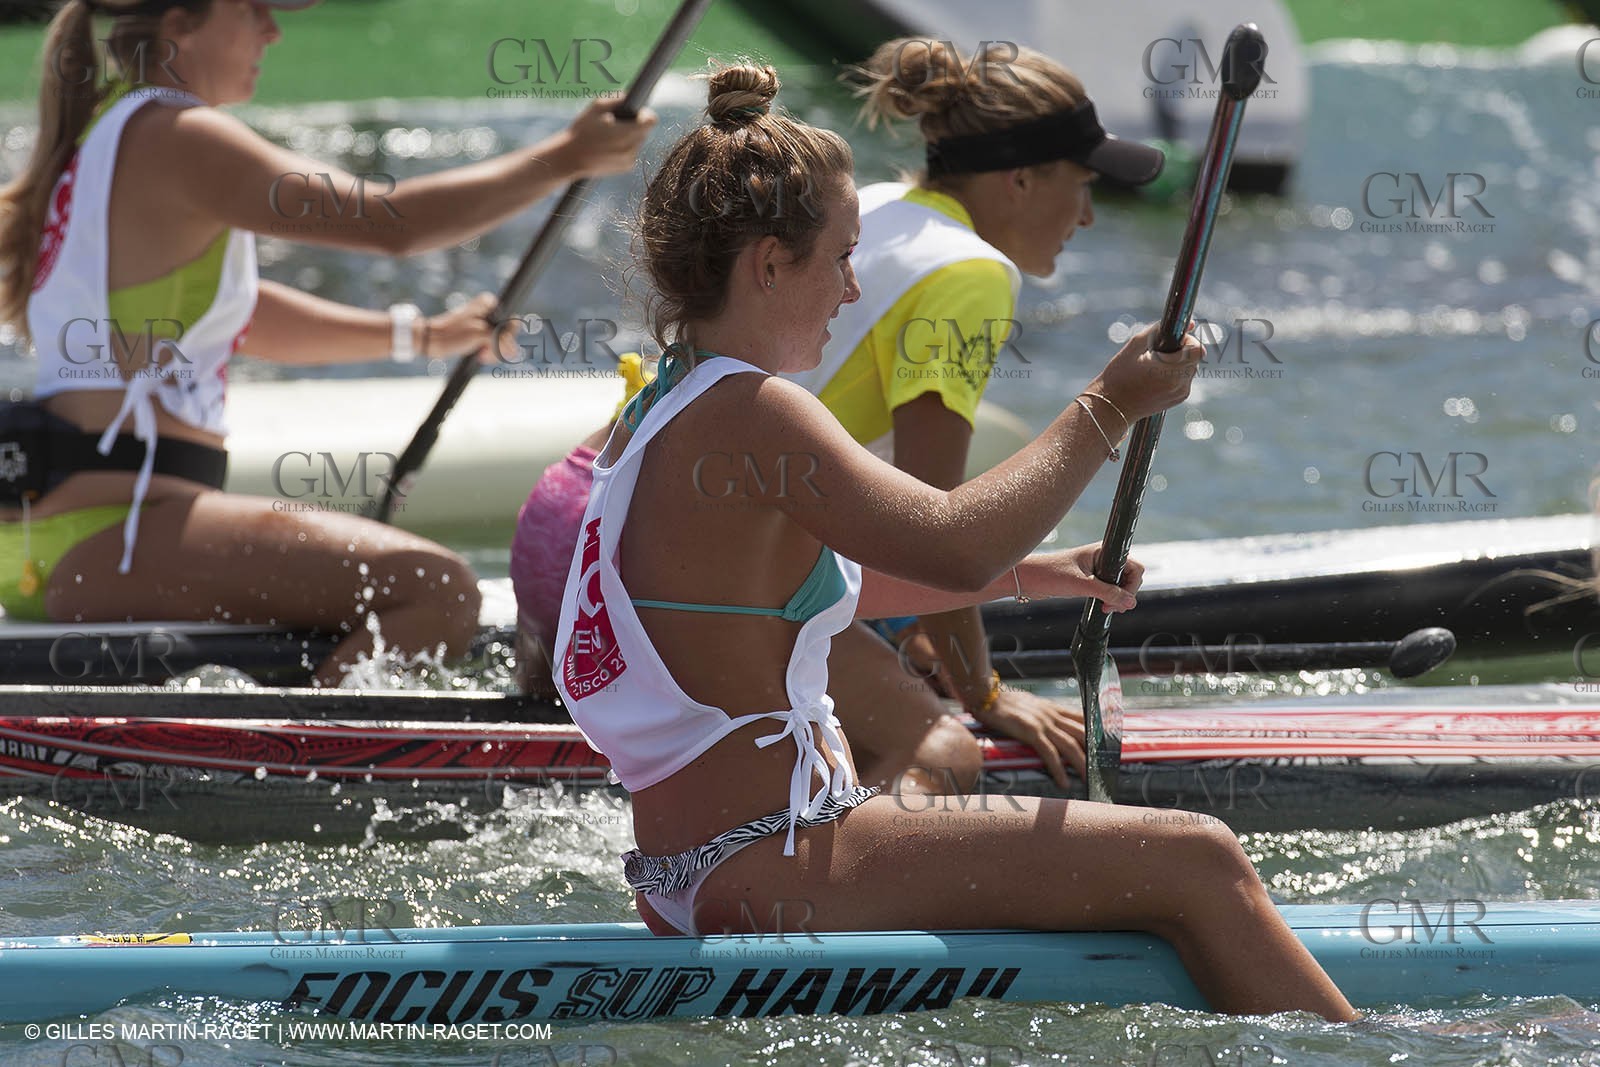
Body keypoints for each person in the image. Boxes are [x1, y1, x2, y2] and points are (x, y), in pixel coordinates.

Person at [552, 64, 1357, 1021]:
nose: (854, 288)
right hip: (783, 861)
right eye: (840, 258)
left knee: (1156, 868)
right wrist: (1109, 402)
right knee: (1200, 856)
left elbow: (765, 602)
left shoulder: (658, 404)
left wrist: (1033, 575)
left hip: (693, 874)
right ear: (769, 264)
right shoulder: (757, 411)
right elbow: (954, 544)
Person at [0, 0, 655, 686]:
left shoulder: (105, 133)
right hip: (115, 527)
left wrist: (422, 333)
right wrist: (564, 158)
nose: (273, 31)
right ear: (179, 24)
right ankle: (299, 767)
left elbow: (235, 316)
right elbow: (389, 221)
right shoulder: (176, 133)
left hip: (64, 533)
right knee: (437, 591)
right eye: (251, 10)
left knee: (398, 589)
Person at [782, 38, 1168, 794]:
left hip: (579, 530)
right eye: (1082, 185)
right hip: (705, 577)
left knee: (914, 636)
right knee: (941, 751)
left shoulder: (885, 207)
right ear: (1020, 179)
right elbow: (941, 536)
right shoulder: (972, 272)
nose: (1087, 216)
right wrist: (982, 694)